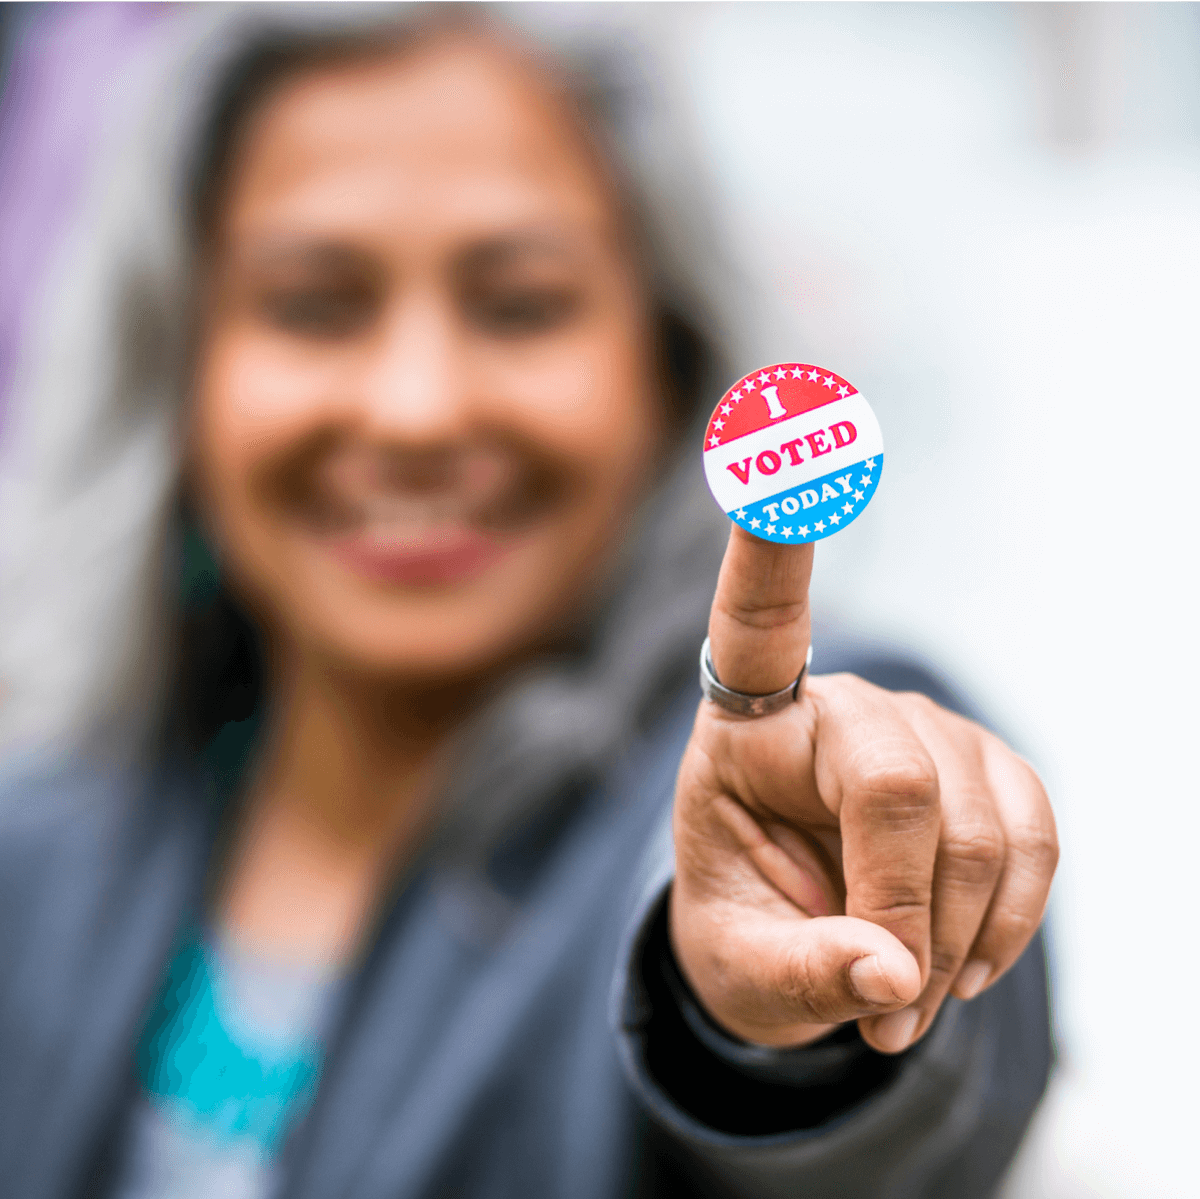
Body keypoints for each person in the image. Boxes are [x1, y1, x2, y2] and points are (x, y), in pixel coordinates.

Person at [0, 4, 1058, 1197]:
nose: (416, 409)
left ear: (663, 359)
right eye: (312, 304)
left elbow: (896, 1106)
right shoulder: (49, 824)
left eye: (521, 304)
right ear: (178, 367)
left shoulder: (796, 766)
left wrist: (770, 1021)